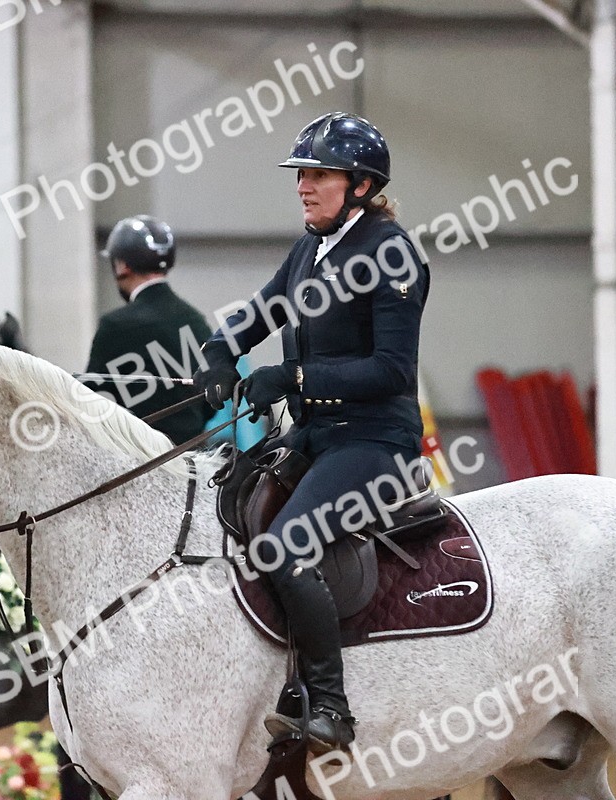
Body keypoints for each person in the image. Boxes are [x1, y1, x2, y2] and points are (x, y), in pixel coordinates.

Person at [194, 112, 430, 755]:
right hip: (317, 435)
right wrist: (221, 349)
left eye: (318, 174)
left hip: (376, 443)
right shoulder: (311, 246)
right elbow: (267, 308)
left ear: (358, 184)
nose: (303, 185)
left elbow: (391, 369)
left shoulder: (390, 251)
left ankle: (329, 703)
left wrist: (293, 376)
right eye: (301, 173)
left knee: (285, 545)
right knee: (226, 503)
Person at [85, 214, 214, 443]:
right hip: (193, 459)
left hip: (135, 462)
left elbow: (91, 403)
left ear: (122, 266)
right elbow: (210, 400)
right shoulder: (196, 321)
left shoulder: (115, 326)